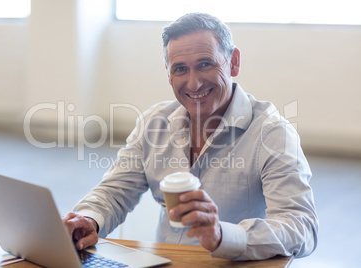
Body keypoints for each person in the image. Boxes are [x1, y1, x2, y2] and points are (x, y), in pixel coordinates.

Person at [64, 13, 318, 261]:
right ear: (168, 73)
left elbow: (301, 227)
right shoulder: (155, 122)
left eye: (205, 64)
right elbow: (114, 191)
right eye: (181, 69)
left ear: (234, 62)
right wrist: (90, 219)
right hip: (166, 261)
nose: (194, 83)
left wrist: (222, 235)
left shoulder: (272, 133)